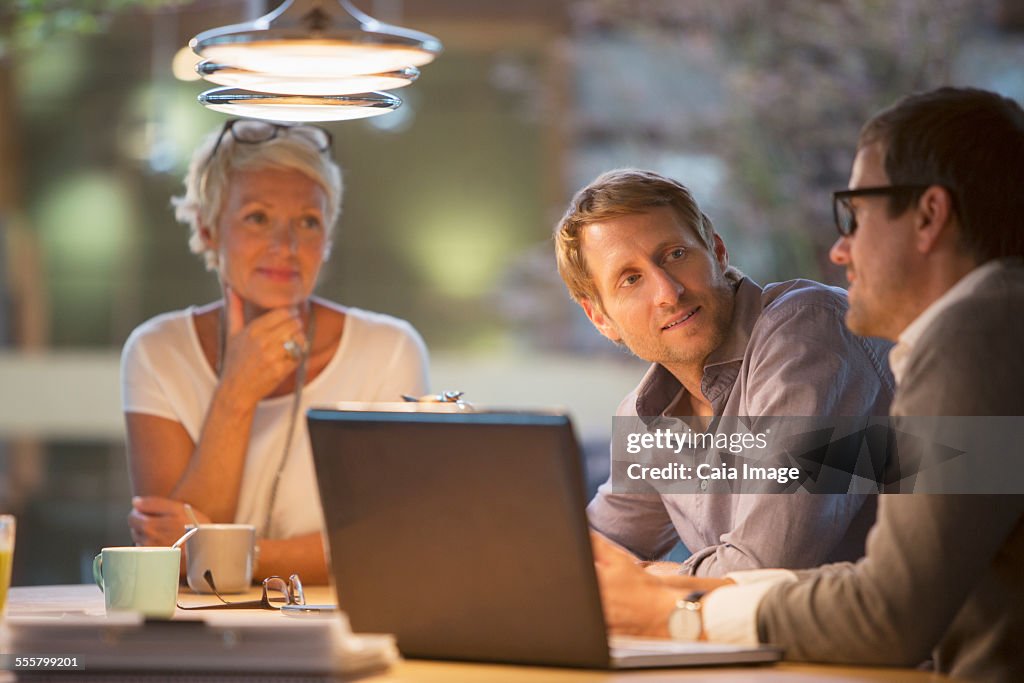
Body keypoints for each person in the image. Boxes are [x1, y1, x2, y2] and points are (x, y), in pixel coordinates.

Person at [592, 87, 1024, 682]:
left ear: (928, 216)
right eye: (631, 280)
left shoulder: (974, 336)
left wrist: (679, 606)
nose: (840, 249)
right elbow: (890, 592)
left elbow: (888, 613)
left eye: (857, 214)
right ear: (601, 317)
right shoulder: (996, 330)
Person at [122, 119, 429, 584]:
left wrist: (239, 555)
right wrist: (236, 394)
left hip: (340, 630)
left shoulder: (389, 350)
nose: (285, 246)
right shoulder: (156, 351)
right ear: (208, 230)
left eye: (308, 222)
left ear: (327, 240)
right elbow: (174, 566)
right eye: (258, 217)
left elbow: (389, 542)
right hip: (199, 637)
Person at [554, 169, 894, 576]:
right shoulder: (648, 420)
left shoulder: (808, 331)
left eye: (675, 255)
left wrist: (652, 579)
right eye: (631, 279)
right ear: (600, 319)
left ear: (717, 251)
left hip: (915, 634)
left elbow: (766, 567)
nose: (668, 293)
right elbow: (584, 562)